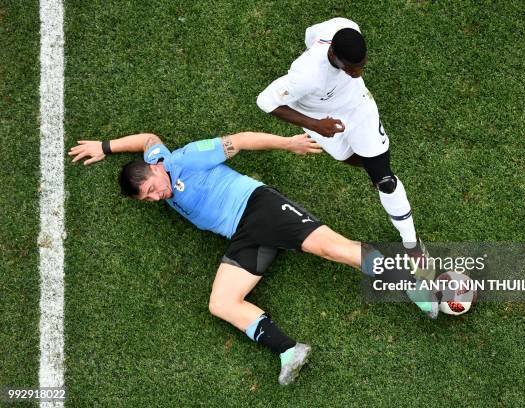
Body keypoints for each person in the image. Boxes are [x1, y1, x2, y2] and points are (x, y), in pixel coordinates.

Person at [68, 130, 438, 386]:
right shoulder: (156, 157)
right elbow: (148, 138)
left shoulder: (186, 159)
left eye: (151, 189)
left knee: (334, 248)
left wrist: (288, 144)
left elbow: (240, 141)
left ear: (156, 170)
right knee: (221, 303)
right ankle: (289, 350)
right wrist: (106, 146)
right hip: (243, 236)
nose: (155, 198)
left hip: (260, 208)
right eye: (147, 199)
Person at [256, 18, 435, 289]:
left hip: (358, 107)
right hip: (320, 118)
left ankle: (412, 246)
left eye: (362, 65)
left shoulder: (343, 26)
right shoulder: (306, 76)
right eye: (353, 69)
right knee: (351, 159)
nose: (359, 72)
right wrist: (315, 124)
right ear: (333, 56)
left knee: (384, 179)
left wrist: (351, 76)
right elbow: (265, 101)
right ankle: (373, 168)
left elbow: (311, 35)